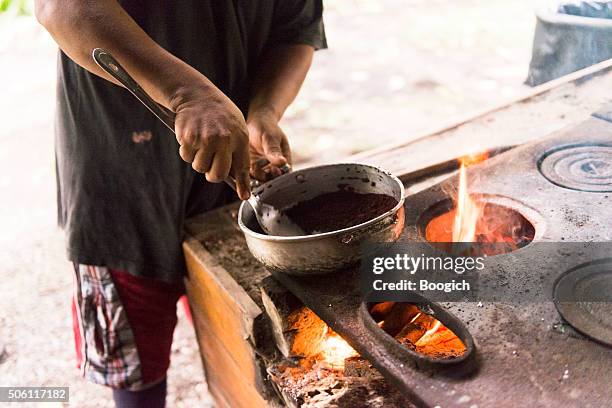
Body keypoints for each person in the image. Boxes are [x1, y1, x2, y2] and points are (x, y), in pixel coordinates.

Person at [34, 1, 326, 407]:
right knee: (138, 360)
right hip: (121, 181)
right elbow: (63, 8)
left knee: (229, 323)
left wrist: (264, 111)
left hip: (230, 172)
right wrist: (188, 95)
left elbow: (294, 29)